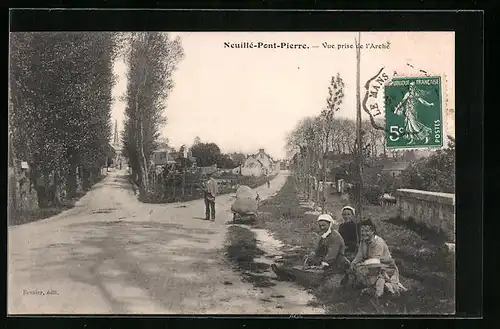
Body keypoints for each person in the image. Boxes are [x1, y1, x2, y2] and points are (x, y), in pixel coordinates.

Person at [271, 214, 351, 288]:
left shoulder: (334, 237)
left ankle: (288, 274)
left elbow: (332, 255)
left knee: (316, 273)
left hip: (336, 261)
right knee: (304, 261)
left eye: (324, 225)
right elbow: (319, 249)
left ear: (330, 224)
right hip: (326, 259)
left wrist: (323, 264)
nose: (322, 227)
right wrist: (313, 254)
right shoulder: (324, 235)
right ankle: (285, 272)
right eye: (320, 226)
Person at [348, 219, 407, 297]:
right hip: (370, 265)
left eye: (367, 231)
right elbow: (359, 255)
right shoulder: (363, 241)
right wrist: (353, 263)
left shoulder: (378, 242)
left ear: (373, 232)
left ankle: (388, 287)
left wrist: (361, 265)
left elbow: (375, 261)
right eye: (362, 231)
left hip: (385, 267)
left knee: (366, 273)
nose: (364, 233)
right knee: (356, 270)